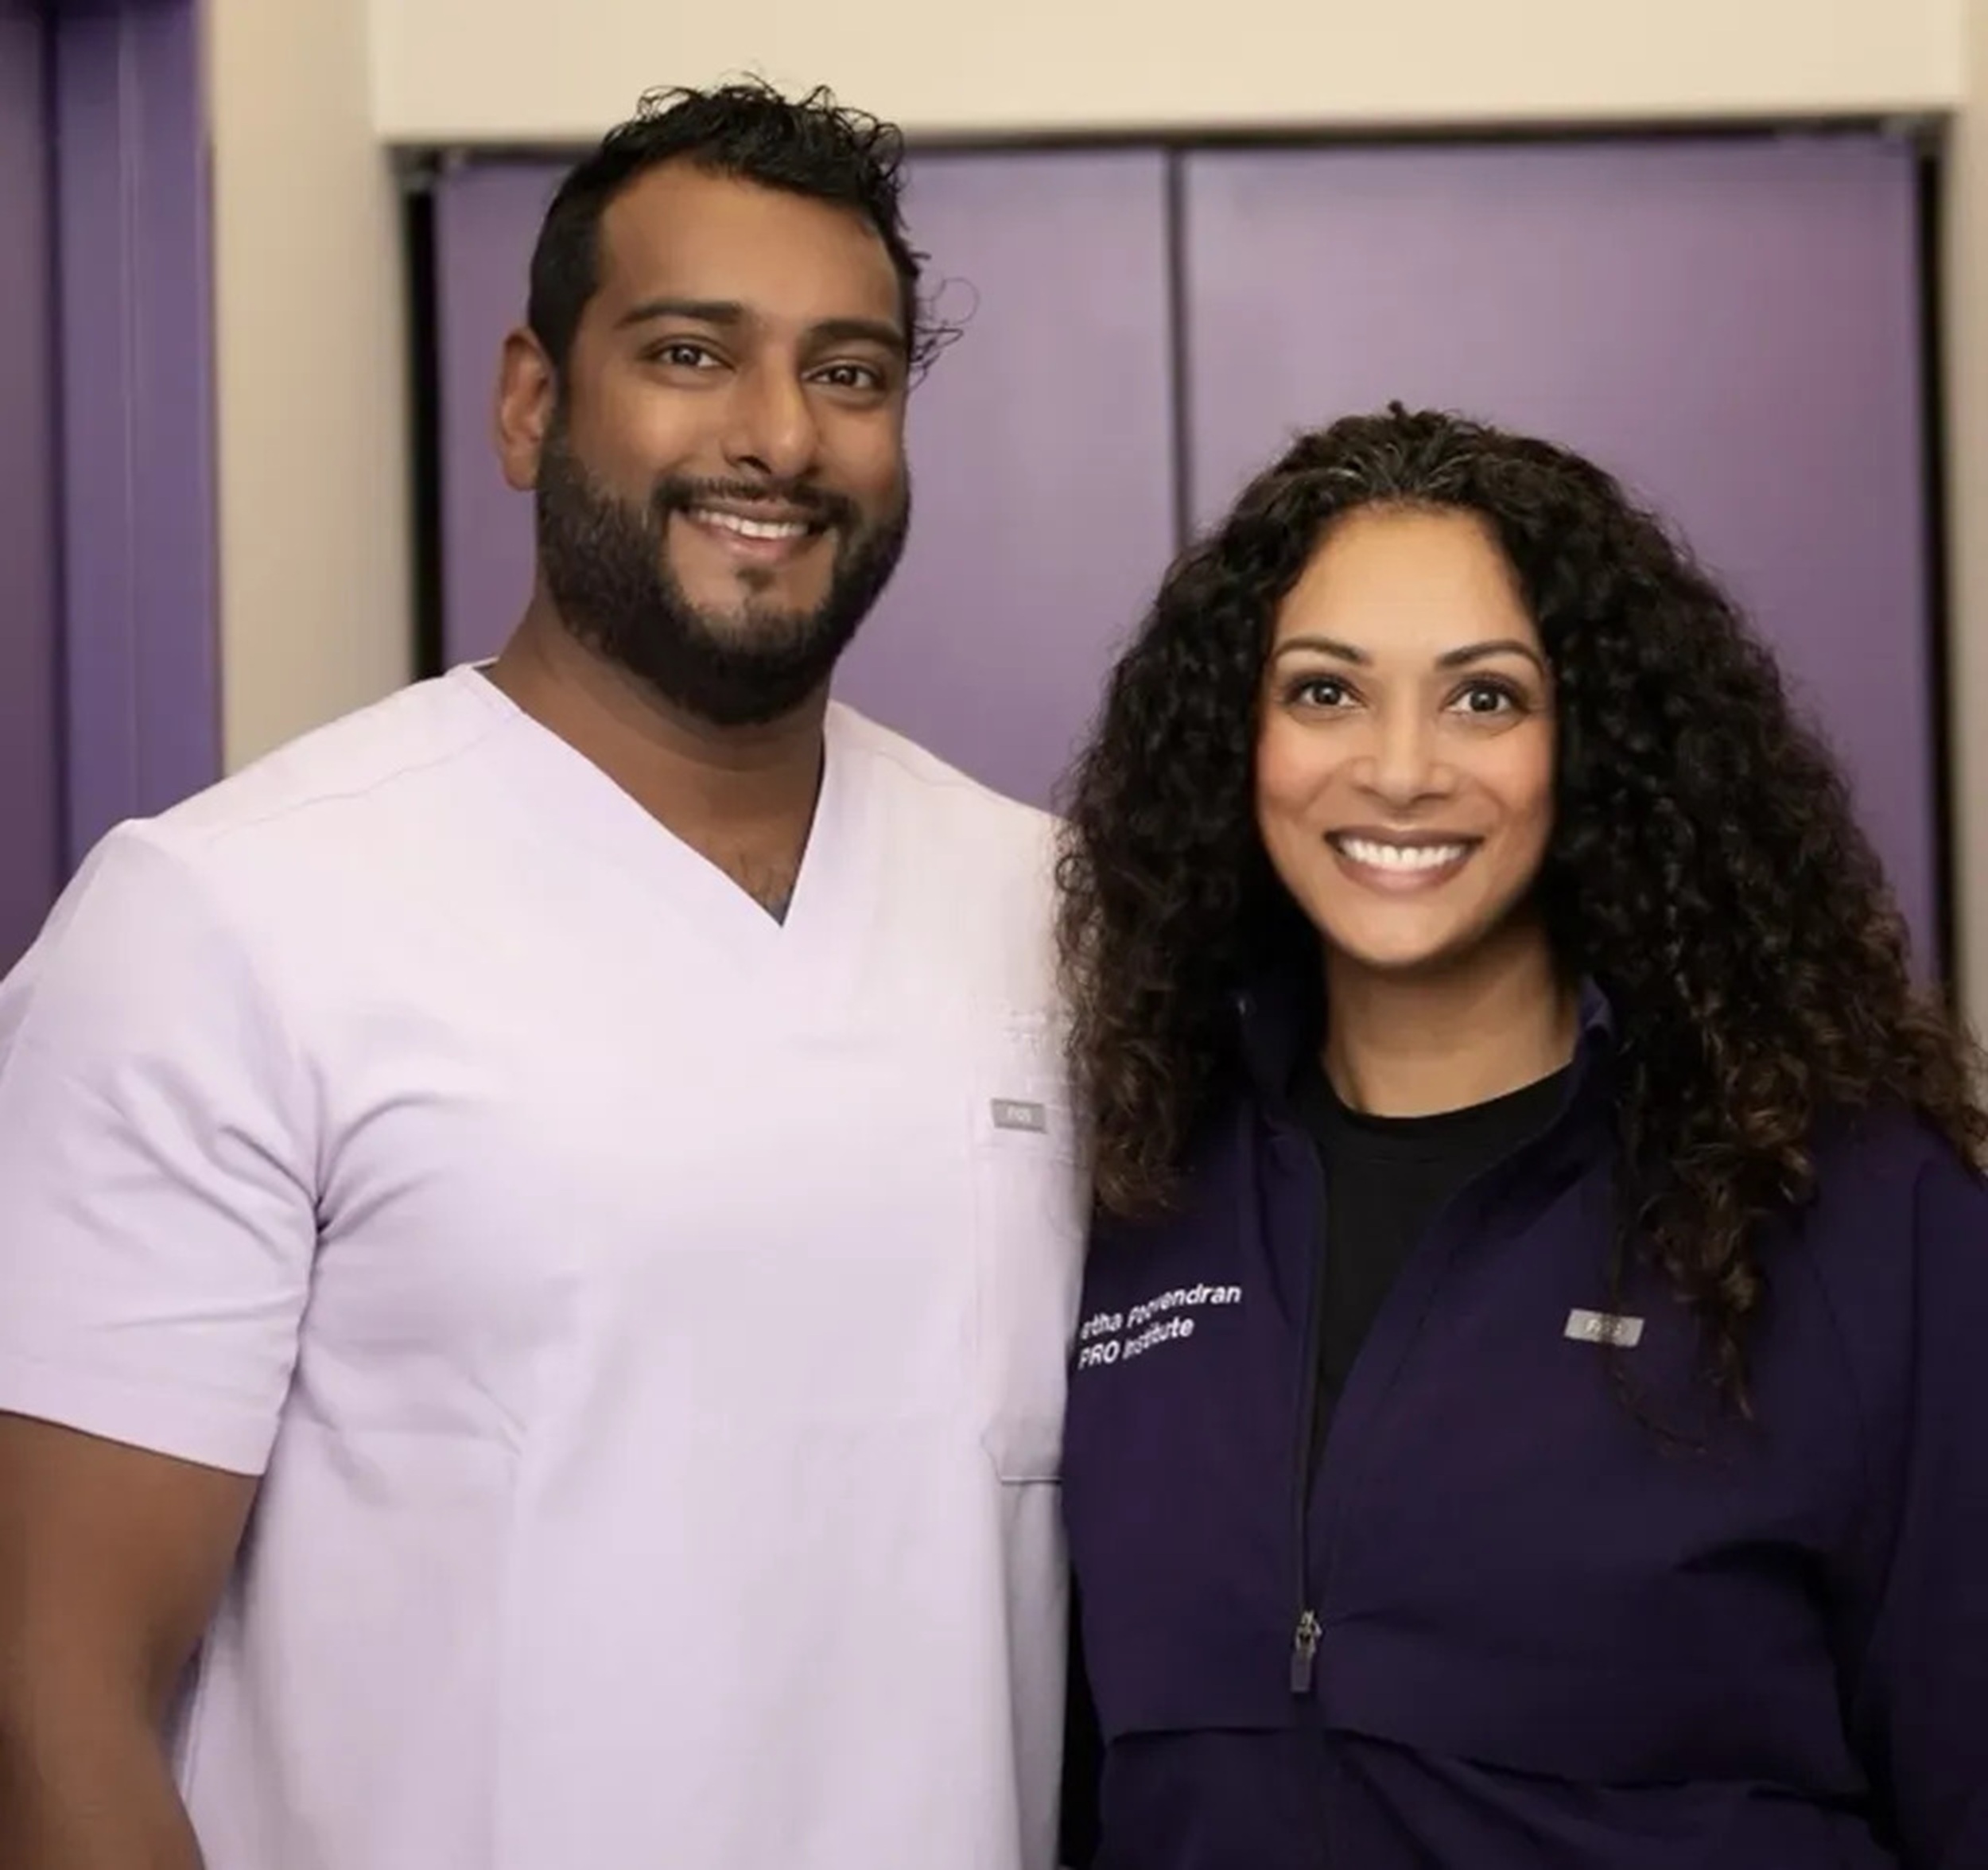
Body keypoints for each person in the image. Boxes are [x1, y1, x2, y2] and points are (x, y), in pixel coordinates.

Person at [0, 81, 1085, 1870]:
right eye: (687, 352)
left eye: (848, 372)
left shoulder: (1051, 911)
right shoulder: (223, 922)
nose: (778, 439)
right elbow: (52, 1691)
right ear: (528, 403)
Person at [1051, 406, 1988, 1869]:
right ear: (1237, 740)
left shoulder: (1846, 1208)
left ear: (1593, 745)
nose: (1403, 768)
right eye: (1323, 694)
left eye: (1484, 698)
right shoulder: (1140, 1189)